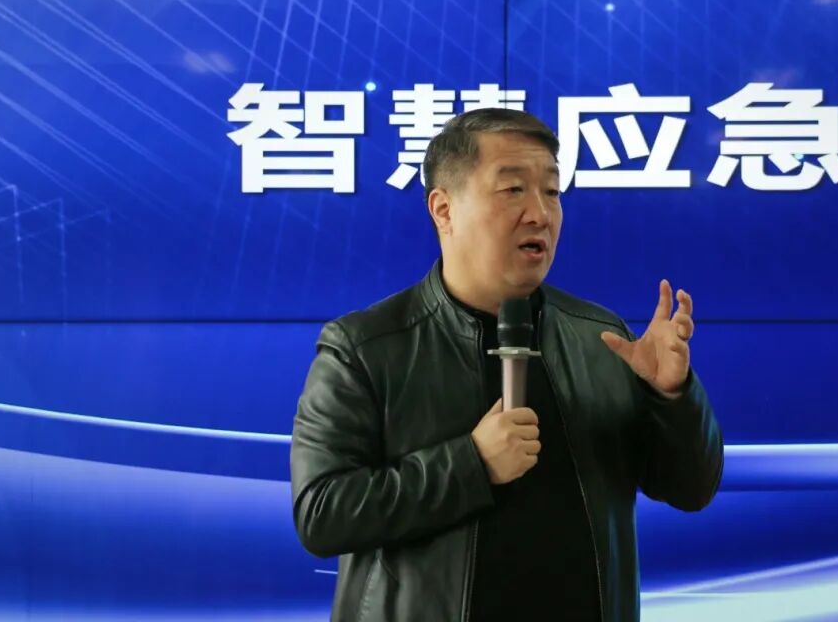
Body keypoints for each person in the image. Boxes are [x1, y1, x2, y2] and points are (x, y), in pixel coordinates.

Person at [290, 108, 724, 622]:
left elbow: (690, 489)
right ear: (443, 209)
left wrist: (671, 396)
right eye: (513, 189)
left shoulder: (599, 336)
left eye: (552, 191)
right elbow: (322, 514)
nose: (540, 213)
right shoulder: (365, 347)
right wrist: (471, 464)